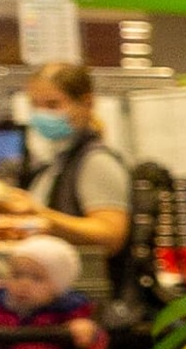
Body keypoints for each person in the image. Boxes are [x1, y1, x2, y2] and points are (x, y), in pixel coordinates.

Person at [13, 63, 132, 261]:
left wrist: (40, 215)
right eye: (35, 105)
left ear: (87, 103)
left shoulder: (97, 161)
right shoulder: (57, 161)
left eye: (53, 105)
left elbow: (111, 234)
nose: (42, 114)